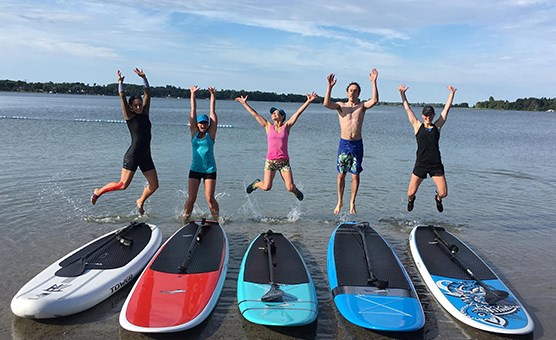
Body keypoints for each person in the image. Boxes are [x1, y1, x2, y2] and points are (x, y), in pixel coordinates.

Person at [90, 68, 159, 215]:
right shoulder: (130, 117)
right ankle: (99, 191)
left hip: (146, 155)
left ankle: (140, 200)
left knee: (154, 185)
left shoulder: (145, 114)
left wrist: (144, 78)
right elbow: (122, 96)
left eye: (140, 104)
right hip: (133, 155)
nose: (139, 107)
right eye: (136, 105)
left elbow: (148, 94)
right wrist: (120, 83)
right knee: (122, 185)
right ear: (131, 107)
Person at [235, 92, 318, 200]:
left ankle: (295, 190)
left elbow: (298, 113)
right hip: (270, 162)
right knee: (266, 187)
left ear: (282, 116)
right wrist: (244, 103)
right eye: (272, 113)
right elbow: (255, 115)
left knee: (290, 188)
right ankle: (256, 184)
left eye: (276, 113)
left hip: (284, 162)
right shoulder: (267, 126)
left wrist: (308, 101)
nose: (273, 114)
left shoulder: (287, 126)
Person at [323, 69, 379, 214]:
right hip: (344, 144)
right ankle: (340, 201)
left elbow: (374, 101)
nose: (353, 93)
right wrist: (329, 87)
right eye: (351, 90)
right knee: (341, 174)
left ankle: (352, 203)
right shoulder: (341, 106)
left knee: (355, 174)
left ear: (359, 93)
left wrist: (374, 82)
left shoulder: (362, 107)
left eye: (355, 91)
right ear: (347, 92)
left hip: (357, 144)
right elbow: (326, 104)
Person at [398, 84, 457, 212]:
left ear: (433, 115)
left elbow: (446, 111)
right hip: (421, 163)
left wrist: (452, 94)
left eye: (430, 114)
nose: (428, 117)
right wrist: (402, 94)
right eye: (426, 115)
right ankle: (411, 200)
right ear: (423, 115)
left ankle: (437, 199)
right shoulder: (417, 125)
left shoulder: (438, 126)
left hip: (436, 164)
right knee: (410, 193)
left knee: (444, 193)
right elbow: (408, 110)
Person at [183, 86, 219, 221]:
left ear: (208, 125)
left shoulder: (211, 135)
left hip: (210, 170)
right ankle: (185, 219)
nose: (203, 124)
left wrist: (212, 96)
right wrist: (192, 94)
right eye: (201, 123)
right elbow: (193, 112)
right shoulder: (194, 133)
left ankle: (216, 220)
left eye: (205, 123)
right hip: (195, 169)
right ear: (197, 124)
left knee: (210, 198)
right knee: (191, 198)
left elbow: (213, 113)